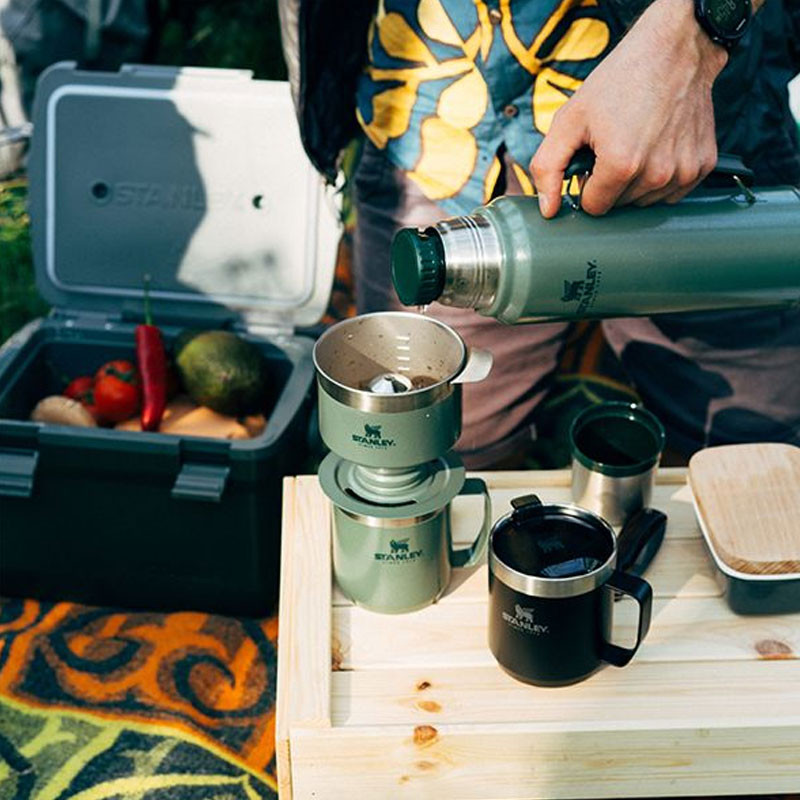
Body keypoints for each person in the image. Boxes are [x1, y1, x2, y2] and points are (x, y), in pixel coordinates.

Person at [280, 0, 800, 467]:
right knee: (428, 455)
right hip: (444, 126)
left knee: (756, 459)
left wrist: (692, 37)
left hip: (693, 132)